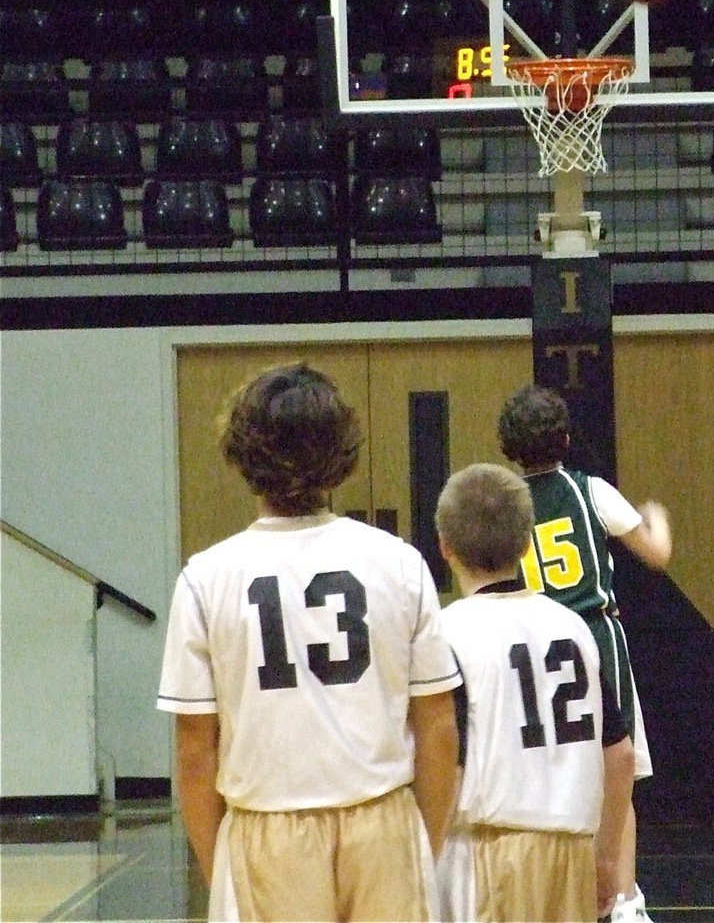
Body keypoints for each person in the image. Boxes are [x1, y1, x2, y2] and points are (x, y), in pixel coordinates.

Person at [156, 362, 461, 922]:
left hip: (267, 832)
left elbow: (195, 755)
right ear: (341, 452)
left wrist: (219, 869)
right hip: (383, 823)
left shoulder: (205, 578)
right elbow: (438, 729)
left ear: (242, 453)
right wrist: (423, 846)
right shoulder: (401, 564)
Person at [496, 384, 671, 923]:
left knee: (544, 774)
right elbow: (656, 555)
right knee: (617, 776)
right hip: (594, 638)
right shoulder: (589, 489)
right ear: (567, 439)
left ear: (508, 449)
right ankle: (624, 903)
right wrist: (656, 516)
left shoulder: (504, 505)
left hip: (527, 645)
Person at [434, 462, 635, 921]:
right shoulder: (573, 627)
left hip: (486, 854)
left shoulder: (447, 634)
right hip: (572, 851)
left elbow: (450, 765)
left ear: (445, 547)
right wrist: (606, 859)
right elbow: (620, 755)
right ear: (528, 544)